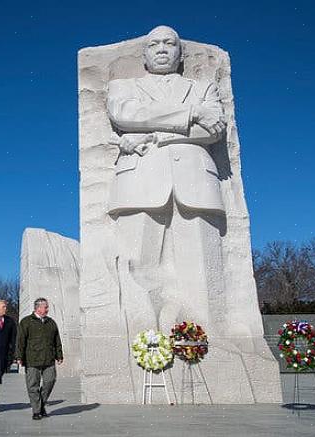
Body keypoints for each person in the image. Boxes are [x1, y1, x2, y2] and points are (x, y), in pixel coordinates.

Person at [106, 25, 230, 335]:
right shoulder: (124, 86)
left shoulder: (203, 88)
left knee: (202, 274)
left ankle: (210, 340)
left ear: (180, 52)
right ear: (144, 54)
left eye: (170, 43)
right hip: (139, 184)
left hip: (196, 185)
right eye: (154, 44)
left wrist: (154, 132)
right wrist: (190, 114)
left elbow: (213, 131)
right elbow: (125, 115)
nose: (162, 48)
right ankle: (142, 341)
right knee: (137, 269)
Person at [16, 298, 63, 420]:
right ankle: (37, 411)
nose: (47, 309)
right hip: (32, 359)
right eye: (45, 307)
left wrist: (59, 355)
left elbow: (57, 340)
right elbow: (20, 340)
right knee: (33, 385)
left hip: (49, 358)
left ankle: (40, 404)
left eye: (47, 307)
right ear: (38, 308)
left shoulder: (51, 322)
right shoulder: (26, 321)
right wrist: (19, 356)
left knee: (50, 381)